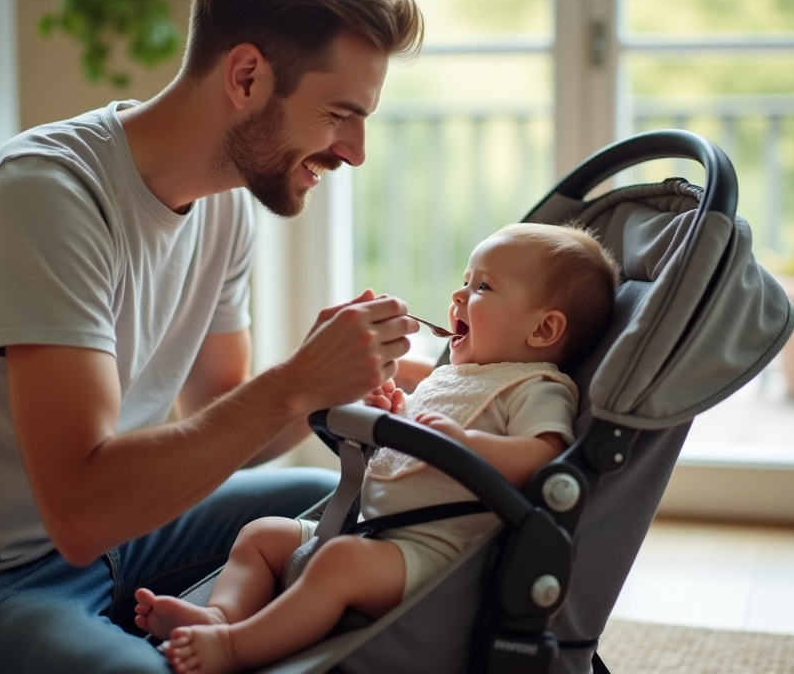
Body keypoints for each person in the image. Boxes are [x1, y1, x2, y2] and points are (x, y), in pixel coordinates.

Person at [0, 0, 425, 674]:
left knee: (342, 512)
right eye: (341, 113)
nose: (354, 150)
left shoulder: (224, 207)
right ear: (246, 78)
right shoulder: (46, 197)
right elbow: (80, 511)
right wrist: (295, 385)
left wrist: (344, 390)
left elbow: (223, 414)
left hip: (118, 541)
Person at [135, 222, 620, 674]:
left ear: (543, 330)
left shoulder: (536, 386)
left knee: (337, 564)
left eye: (482, 287)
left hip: (434, 559)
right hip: (370, 529)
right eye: (465, 279)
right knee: (263, 536)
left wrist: (467, 444)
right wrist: (392, 412)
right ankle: (220, 616)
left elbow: (546, 460)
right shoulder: (456, 377)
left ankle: (234, 648)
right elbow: (415, 444)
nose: (458, 294)